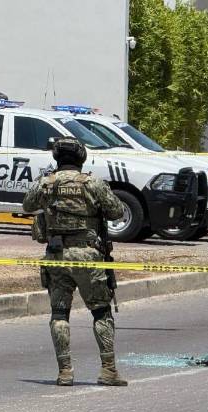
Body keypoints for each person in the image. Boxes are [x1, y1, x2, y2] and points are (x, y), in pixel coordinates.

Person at [23, 137, 127, 387]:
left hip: (56, 256)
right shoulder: (93, 183)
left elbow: (27, 205)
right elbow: (117, 212)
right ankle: (108, 370)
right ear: (81, 158)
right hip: (88, 256)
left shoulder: (45, 183)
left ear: (56, 158)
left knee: (59, 313)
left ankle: (65, 371)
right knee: (101, 311)